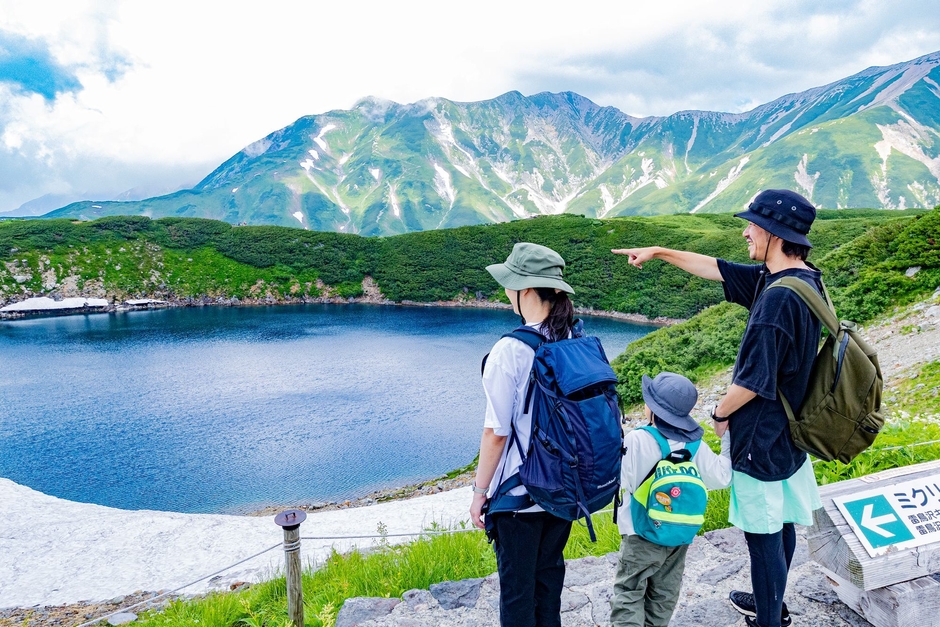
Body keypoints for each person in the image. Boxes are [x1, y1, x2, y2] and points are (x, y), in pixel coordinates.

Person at [612, 189, 824, 627]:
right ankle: (773, 602)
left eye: (752, 226)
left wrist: (719, 415)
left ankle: (769, 619)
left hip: (760, 436)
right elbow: (716, 269)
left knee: (762, 532)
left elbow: (752, 382)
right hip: (790, 428)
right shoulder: (798, 279)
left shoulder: (777, 299)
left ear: (773, 233)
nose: (745, 232)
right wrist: (660, 251)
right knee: (780, 518)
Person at [469, 242, 577, 627]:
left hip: (519, 494)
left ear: (526, 290)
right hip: (564, 488)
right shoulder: (573, 338)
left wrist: (479, 494)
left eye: (509, 283)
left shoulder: (510, 349)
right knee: (549, 581)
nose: (505, 291)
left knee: (516, 592)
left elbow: (496, 433)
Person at [611, 371, 732, 627]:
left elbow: (621, 481)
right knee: (664, 594)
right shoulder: (696, 445)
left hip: (640, 533)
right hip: (679, 534)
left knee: (629, 592)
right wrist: (728, 438)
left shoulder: (637, 439)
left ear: (654, 410)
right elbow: (722, 478)